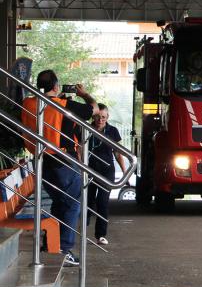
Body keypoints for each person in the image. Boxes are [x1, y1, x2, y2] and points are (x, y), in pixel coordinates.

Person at [21, 70, 99, 266]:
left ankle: (51, 245)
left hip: (42, 162)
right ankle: (63, 249)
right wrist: (84, 95)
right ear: (56, 86)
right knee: (72, 204)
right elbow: (95, 110)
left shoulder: (29, 103)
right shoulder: (65, 106)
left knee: (58, 204)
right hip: (64, 162)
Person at [86, 103, 126, 245]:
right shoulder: (86, 129)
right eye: (97, 116)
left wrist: (124, 172)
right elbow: (79, 148)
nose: (100, 120)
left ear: (108, 117)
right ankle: (83, 230)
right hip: (90, 170)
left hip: (107, 170)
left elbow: (117, 153)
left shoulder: (112, 131)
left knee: (102, 202)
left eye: (103, 117)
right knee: (88, 201)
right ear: (93, 116)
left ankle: (101, 235)